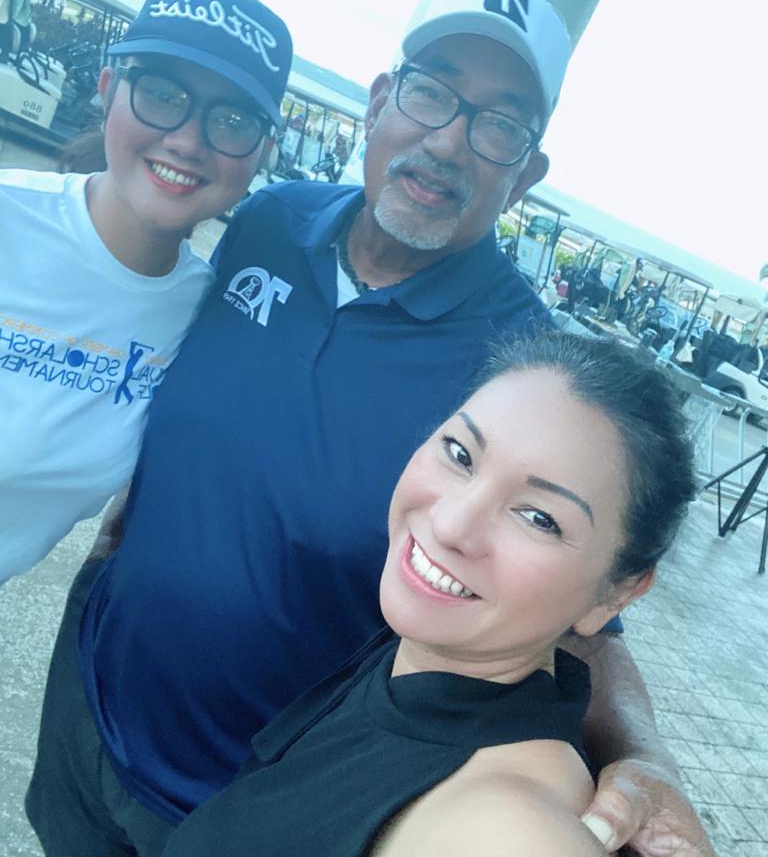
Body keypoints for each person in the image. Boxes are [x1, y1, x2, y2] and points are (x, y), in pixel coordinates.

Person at [27, 0, 714, 857]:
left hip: (245, 796)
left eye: (499, 127)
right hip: (91, 697)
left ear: (525, 176)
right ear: (380, 100)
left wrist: (646, 755)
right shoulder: (270, 222)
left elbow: (577, 608)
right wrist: (113, 544)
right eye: (430, 93)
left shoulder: (525, 369)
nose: (447, 141)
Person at [155, 332, 697, 856]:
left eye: (538, 517)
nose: (451, 523)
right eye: (460, 454)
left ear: (617, 594)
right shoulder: (416, 658)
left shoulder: (510, 828)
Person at [0, 0, 292, 584]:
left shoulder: (204, 313)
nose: (187, 141)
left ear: (262, 152)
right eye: (162, 93)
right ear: (109, 89)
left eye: (232, 119)